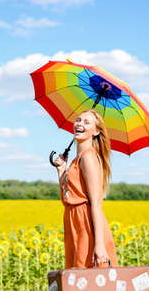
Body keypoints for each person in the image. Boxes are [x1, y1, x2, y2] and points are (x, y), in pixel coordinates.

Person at [54, 109, 118, 269]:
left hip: (86, 222)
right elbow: (68, 195)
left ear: (96, 131)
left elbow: (96, 204)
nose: (79, 124)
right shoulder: (77, 160)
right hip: (73, 220)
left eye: (86, 122)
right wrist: (61, 169)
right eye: (78, 120)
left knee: (87, 277)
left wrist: (100, 245)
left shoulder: (88, 157)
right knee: (77, 277)